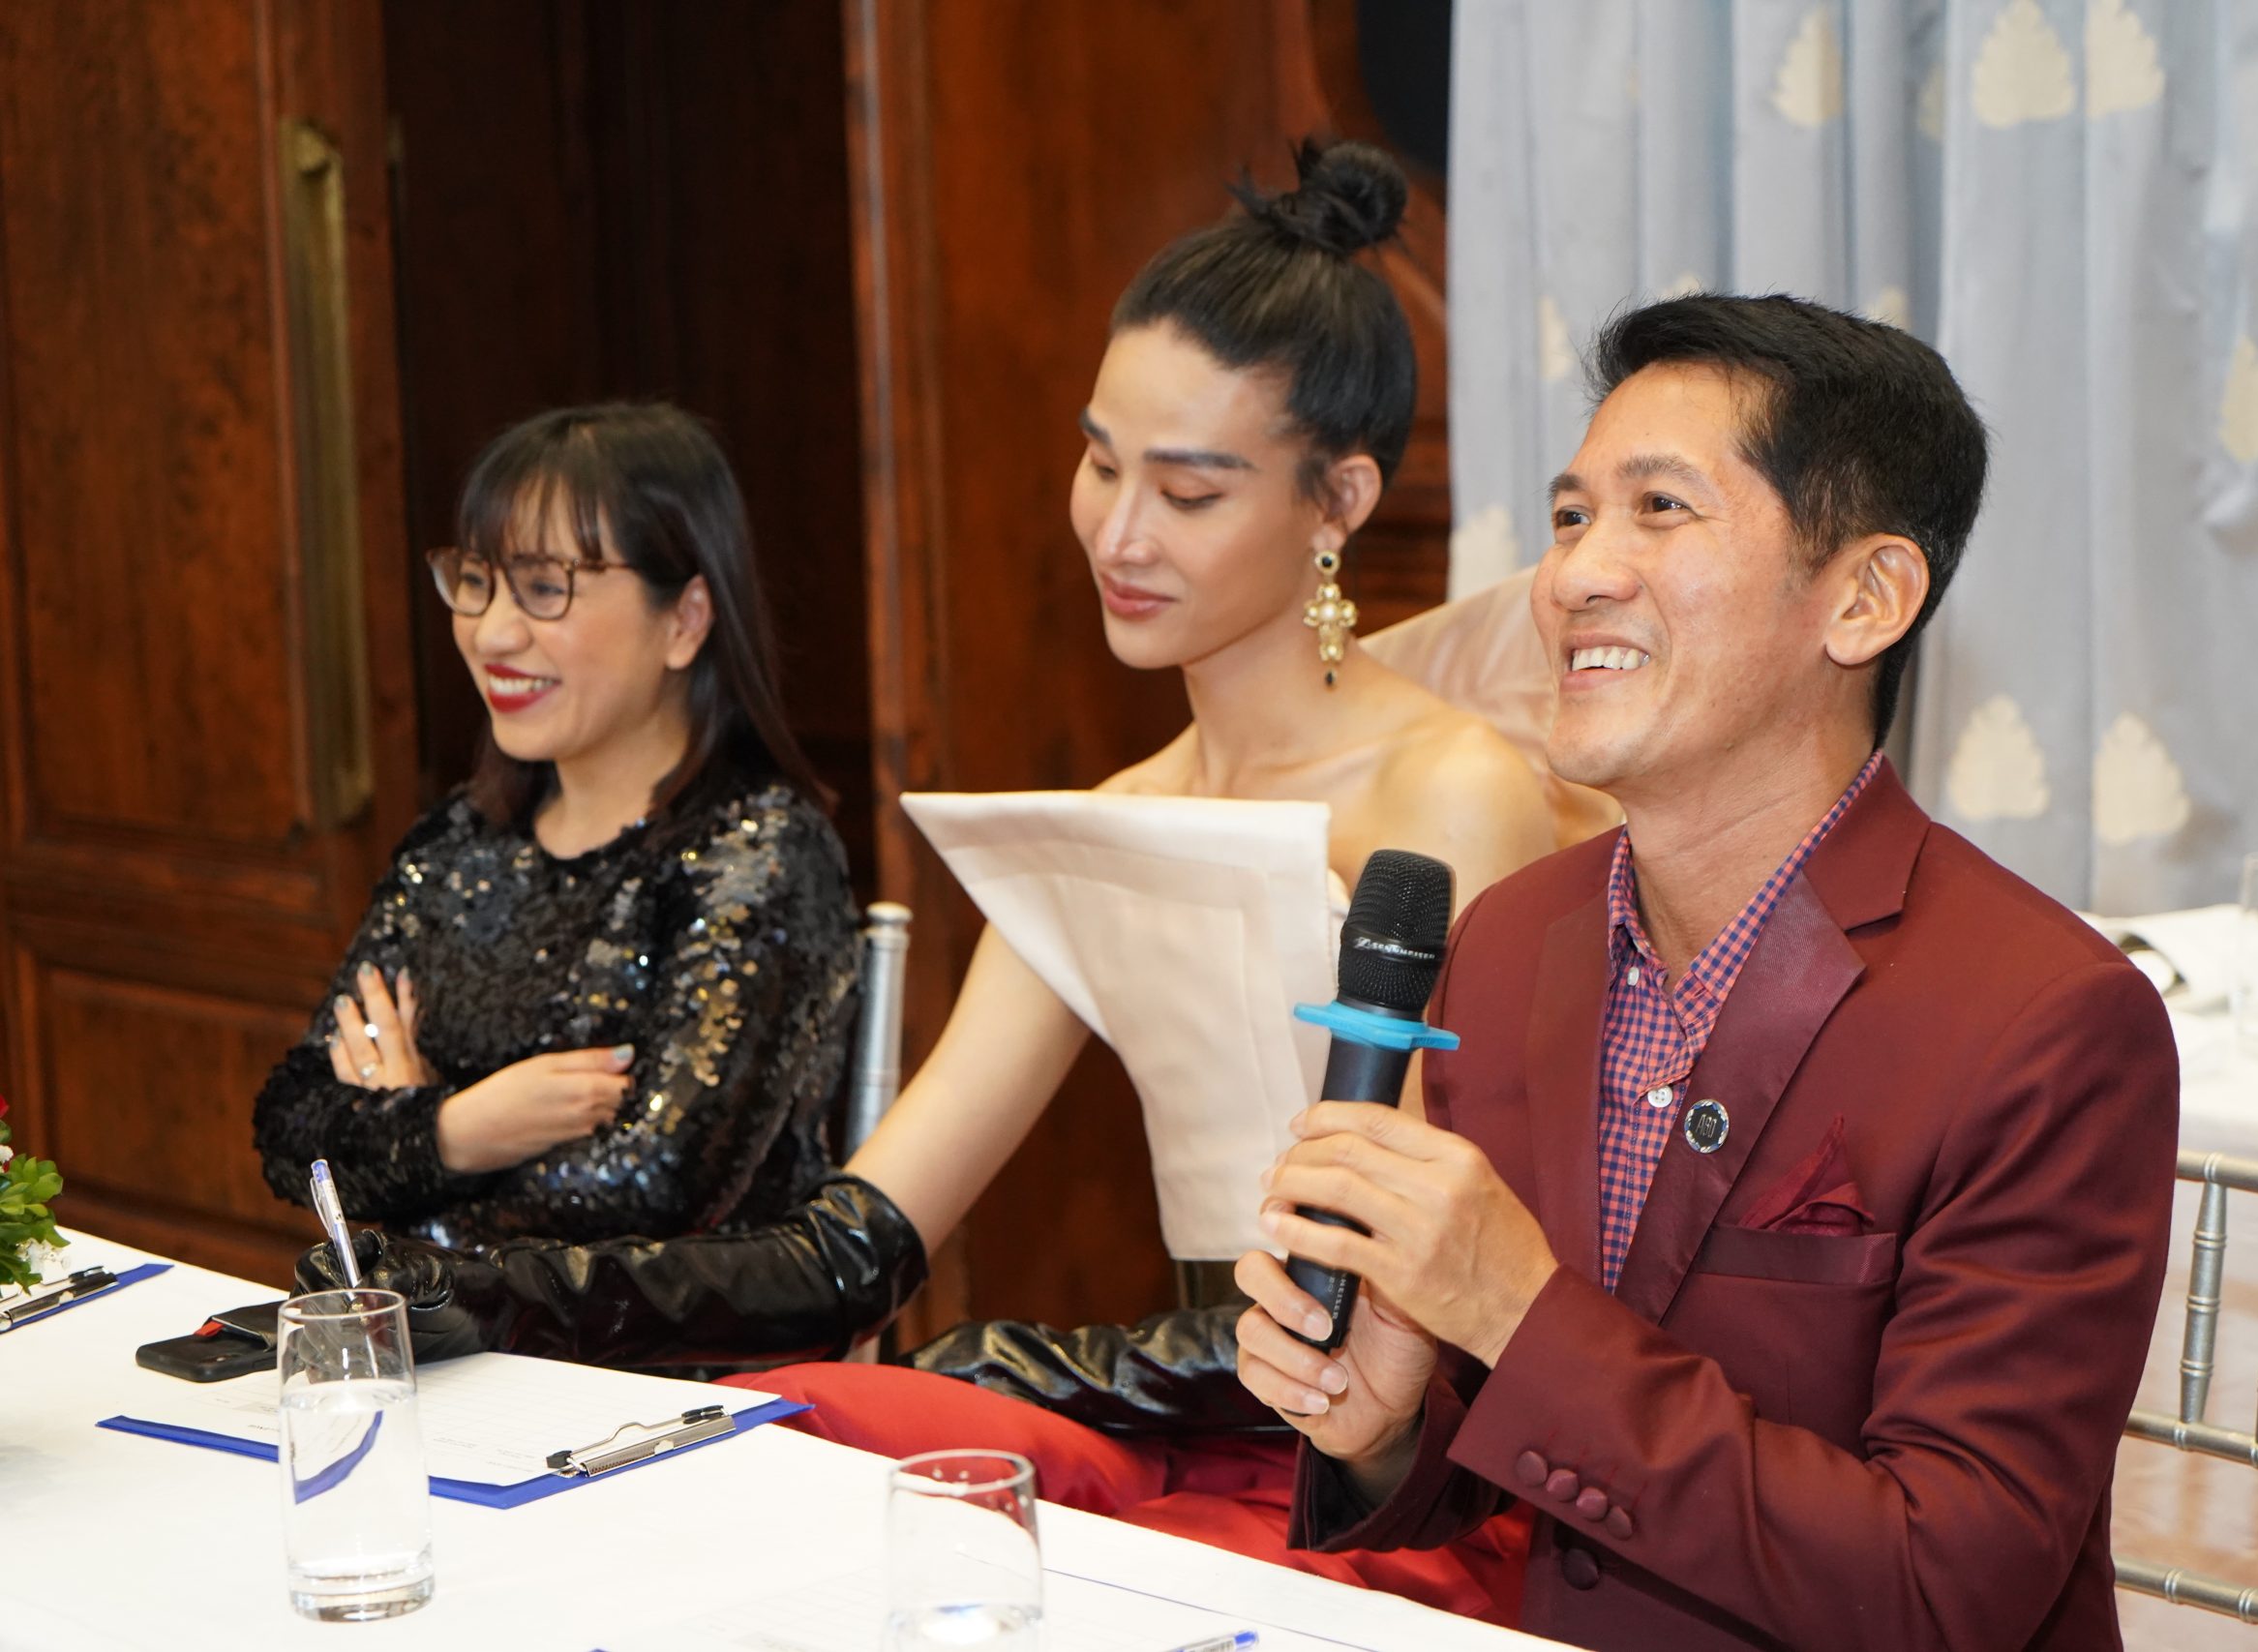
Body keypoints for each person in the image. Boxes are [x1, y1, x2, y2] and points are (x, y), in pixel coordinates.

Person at [300, 143, 1549, 1616]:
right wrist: (501, 1296)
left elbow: (1455, 1288)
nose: (1119, 532)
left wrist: (1040, 1367)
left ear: (1338, 498)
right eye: (1101, 462)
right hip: (1184, 1420)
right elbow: (859, 1243)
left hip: (1402, 1464)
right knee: (774, 1443)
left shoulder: (1455, 792)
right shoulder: (1112, 824)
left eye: (1188, 490)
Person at [1230, 294, 2181, 1651]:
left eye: (1659, 509)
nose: (1574, 575)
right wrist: (1385, 1427)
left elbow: (1944, 1593)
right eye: (1570, 516)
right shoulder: (1510, 939)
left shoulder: (2046, 1020)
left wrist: (1516, 1311)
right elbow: (1539, 1461)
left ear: (1864, 598)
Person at [256, 405, 908, 1322]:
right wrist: (462, 1126)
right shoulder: (460, 842)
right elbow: (294, 1125)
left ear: (684, 620)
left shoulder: (759, 850)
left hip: (674, 1375)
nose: (491, 633)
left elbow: (655, 1186)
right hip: (456, 1351)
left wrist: (409, 1174)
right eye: (475, 582)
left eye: (543, 588)